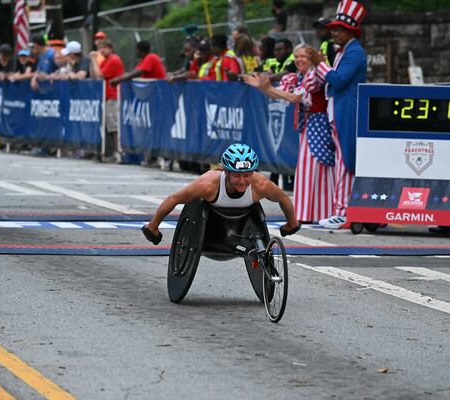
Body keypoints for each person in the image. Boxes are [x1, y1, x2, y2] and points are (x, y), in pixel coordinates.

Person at [245, 44, 336, 224]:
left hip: (319, 123)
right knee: (307, 169)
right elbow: (283, 95)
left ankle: (321, 212)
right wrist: (264, 88)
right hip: (308, 124)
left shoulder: (315, 75)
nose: (299, 60)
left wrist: (267, 87)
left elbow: (294, 98)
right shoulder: (298, 77)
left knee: (317, 167)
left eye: (303, 56)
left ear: (312, 58)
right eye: (297, 56)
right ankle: (310, 213)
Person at [141, 143, 300, 245]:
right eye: (237, 175)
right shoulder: (208, 184)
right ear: (226, 171)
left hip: (242, 226)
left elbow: (283, 198)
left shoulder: (260, 185)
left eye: (247, 174)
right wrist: (152, 227)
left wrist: (291, 224)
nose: (243, 180)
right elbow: (174, 199)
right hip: (210, 225)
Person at [311, 0, 367, 229]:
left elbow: (339, 80)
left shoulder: (354, 52)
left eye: (338, 30)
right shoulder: (345, 50)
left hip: (347, 111)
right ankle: (340, 209)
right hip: (338, 111)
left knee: (345, 162)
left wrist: (320, 64)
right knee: (340, 162)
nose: (334, 33)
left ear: (349, 31)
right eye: (333, 29)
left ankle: (343, 212)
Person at [90, 39, 125, 162]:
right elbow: (94, 75)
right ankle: (110, 152)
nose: (101, 50)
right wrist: (93, 61)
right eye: (100, 48)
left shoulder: (113, 60)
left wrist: (94, 59)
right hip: (106, 96)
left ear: (110, 48)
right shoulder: (105, 61)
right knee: (107, 126)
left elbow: (100, 75)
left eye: (104, 48)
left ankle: (118, 152)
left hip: (113, 96)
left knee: (114, 126)